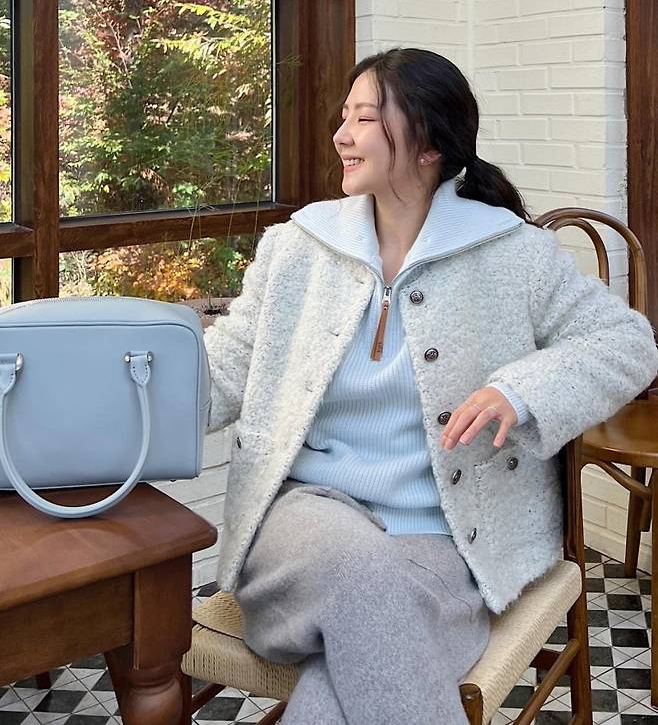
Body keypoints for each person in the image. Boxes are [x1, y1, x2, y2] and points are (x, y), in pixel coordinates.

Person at [203, 47, 658, 724]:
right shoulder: (297, 247)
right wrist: (129, 385)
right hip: (306, 524)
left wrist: (520, 391)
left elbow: (628, 343)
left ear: (429, 147)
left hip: (444, 543)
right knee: (363, 575)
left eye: (365, 119)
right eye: (344, 117)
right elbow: (224, 368)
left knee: (335, 696)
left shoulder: (513, 254)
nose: (342, 135)